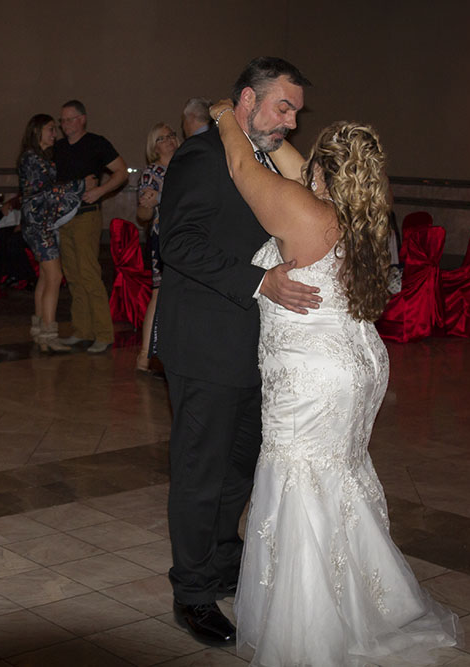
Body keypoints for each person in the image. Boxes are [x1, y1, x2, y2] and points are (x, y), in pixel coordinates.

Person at [209, 100, 461, 664]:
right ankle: (367, 605)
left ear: (322, 173)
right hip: (356, 363)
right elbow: (297, 168)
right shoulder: (360, 211)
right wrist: (273, 134)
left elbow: (244, 169)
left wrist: (226, 114)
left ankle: (309, 634)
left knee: (299, 484)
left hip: (314, 377)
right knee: (337, 481)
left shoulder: (308, 214)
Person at [156, 57, 320, 645]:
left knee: (239, 469)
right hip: (205, 345)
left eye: (297, 112)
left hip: (257, 349)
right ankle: (192, 593)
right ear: (247, 100)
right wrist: (258, 282)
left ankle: (224, 563)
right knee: (200, 472)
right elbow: (178, 243)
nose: (291, 122)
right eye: (284, 108)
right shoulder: (201, 156)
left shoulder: (265, 160)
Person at [54, 100, 127, 354]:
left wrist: (100, 191)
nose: (64, 125)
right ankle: (82, 330)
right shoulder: (58, 148)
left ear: (82, 119)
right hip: (63, 218)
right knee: (73, 275)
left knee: (88, 273)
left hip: (86, 216)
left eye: (69, 119)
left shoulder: (96, 143)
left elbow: (121, 172)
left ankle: (104, 334)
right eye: (62, 120)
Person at [17, 114, 85, 352]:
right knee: (55, 277)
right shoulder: (31, 158)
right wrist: (81, 185)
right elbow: (44, 192)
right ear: (37, 131)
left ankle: (40, 333)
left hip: (40, 222)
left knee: (46, 278)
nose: (55, 134)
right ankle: (49, 334)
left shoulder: (38, 157)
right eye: (50, 129)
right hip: (39, 224)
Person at [135, 123, 180, 372]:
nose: (170, 140)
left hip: (187, 236)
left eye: (172, 135)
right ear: (154, 146)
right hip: (163, 238)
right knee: (159, 292)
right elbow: (143, 212)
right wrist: (148, 203)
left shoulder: (186, 165)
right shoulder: (152, 173)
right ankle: (145, 354)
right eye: (162, 138)